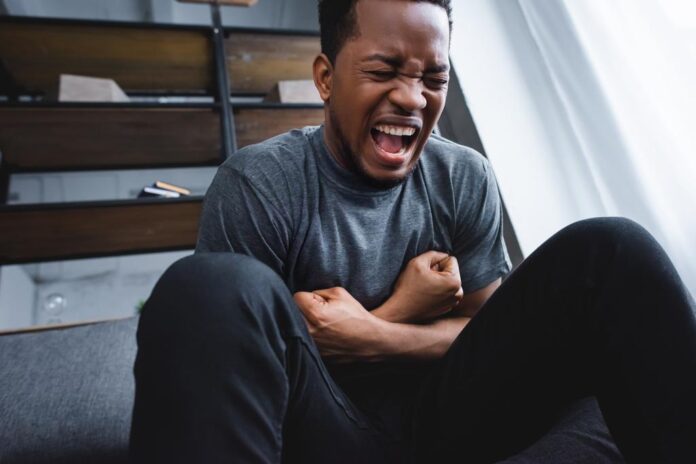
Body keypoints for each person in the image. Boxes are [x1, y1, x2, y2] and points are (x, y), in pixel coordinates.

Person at [129, 0, 696, 462]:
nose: (412, 97)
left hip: (453, 419)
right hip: (323, 433)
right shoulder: (259, 184)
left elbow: (480, 329)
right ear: (326, 79)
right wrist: (404, 306)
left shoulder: (464, 175)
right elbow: (247, 368)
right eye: (383, 71)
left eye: (434, 77)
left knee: (613, 249)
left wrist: (374, 335)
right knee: (205, 287)